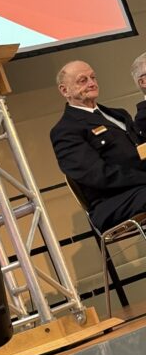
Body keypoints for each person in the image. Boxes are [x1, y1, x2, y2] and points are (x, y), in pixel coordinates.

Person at [50, 59, 146, 232]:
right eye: (83, 80)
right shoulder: (65, 130)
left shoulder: (118, 114)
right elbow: (98, 175)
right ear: (65, 90)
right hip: (112, 200)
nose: (92, 83)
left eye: (93, 77)